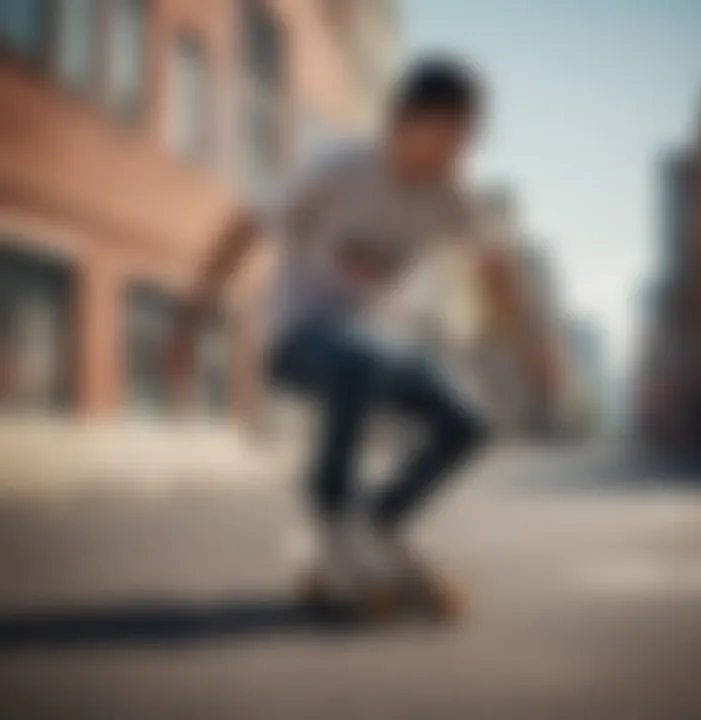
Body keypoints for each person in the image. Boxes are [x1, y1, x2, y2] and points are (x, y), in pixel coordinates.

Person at [167, 57, 515, 620]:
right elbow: (243, 228)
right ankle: (332, 531)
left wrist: (519, 342)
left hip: (379, 349)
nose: (459, 151)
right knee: (361, 354)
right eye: (450, 132)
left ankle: (378, 525)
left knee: (470, 421)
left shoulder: (451, 195)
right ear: (405, 118)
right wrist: (190, 323)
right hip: (296, 341)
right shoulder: (335, 168)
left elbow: (497, 264)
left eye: (469, 138)